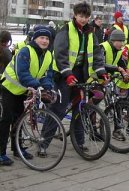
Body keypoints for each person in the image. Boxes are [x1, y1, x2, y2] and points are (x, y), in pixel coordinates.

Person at [41, 1, 108, 156]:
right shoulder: (66, 29)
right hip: (64, 75)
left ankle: (79, 142)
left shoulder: (90, 33)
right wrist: (67, 74)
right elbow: (60, 54)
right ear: (75, 15)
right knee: (58, 109)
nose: (83, 19)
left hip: (81, 75)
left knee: (80, 109)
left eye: (86, 16)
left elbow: (97, 54)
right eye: (80, 16)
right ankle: (43, 142)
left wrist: (101, 72)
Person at [0, 26, 53, 166]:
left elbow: (48, 74)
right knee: (7, 119)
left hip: (24, 90)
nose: (45, 40)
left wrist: (47, 86)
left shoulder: (48, 55)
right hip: (9, 87)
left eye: (47, 38)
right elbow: (22, 73)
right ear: (35, 39)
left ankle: (17, 149)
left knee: (19, 120)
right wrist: (37, 85)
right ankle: (1, 153)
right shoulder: (25, 51)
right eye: (41, 37)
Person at [100, 30, 129, 140]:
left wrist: (126, 73)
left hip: (108, 79)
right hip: (96, 79)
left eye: (122, 41)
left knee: (115, 102)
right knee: (96, 105)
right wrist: (117, 69)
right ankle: (93, 127)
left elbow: (121, 64)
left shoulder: (118, 51)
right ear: (113, 40)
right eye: (119, 41)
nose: (121, 44)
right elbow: (100, 63)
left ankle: (117, 129)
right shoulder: (103, 47)